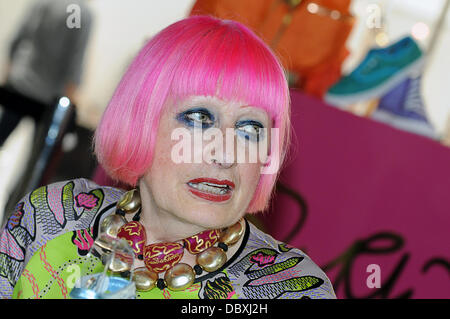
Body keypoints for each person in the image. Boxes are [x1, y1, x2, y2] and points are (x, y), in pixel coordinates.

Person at [0, 15, 336, 299]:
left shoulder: (288, 288)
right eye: (198, 119)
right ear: (140, 121)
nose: (225, 154)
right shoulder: (50, 216)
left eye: (249, 128)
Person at [0, 0, 93, 146]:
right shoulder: (81, 12)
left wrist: (8, 74)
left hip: (20, 83)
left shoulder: (42, 2)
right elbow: (75, 57)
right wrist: (71, 99)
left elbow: (18, 38)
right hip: (49, 96)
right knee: (39, 153)